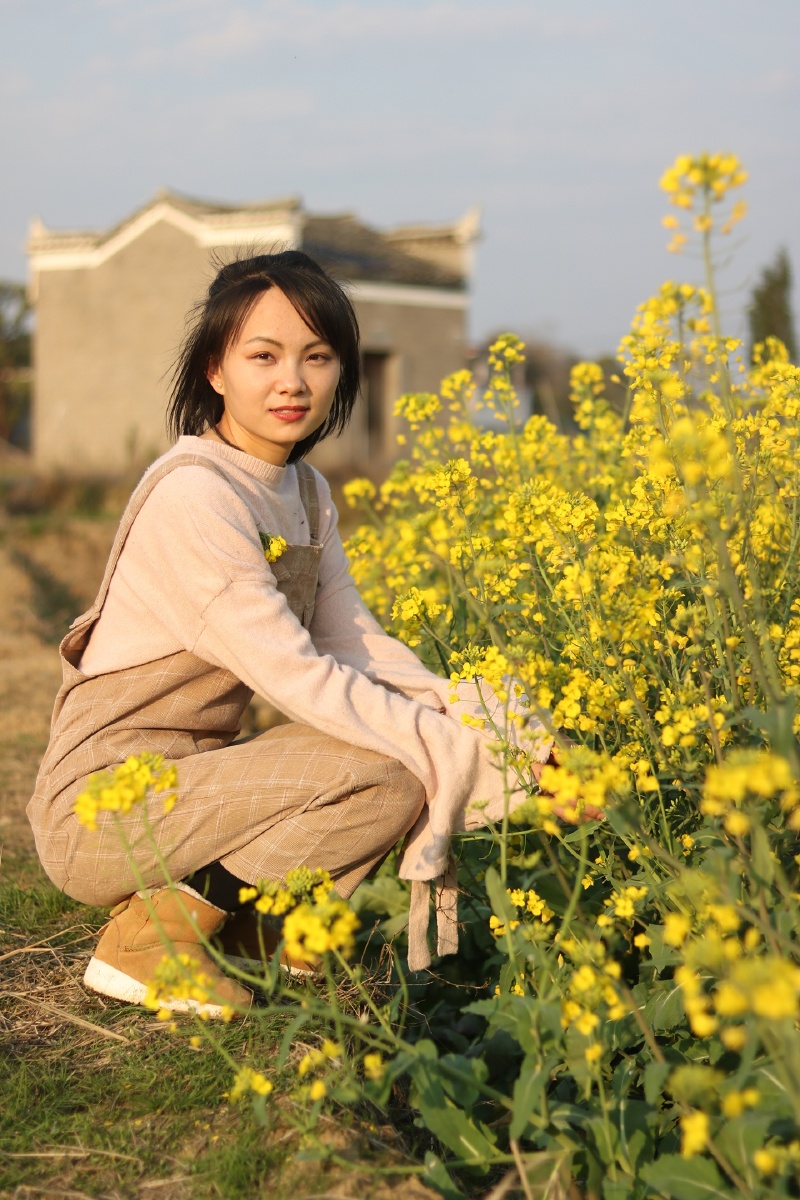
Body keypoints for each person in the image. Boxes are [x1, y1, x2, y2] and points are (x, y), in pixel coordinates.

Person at [27, 251, 569, 1017]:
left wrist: (512, 737)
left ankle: (251, 932)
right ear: (216, 370)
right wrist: (452, 743)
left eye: (318, 357)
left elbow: (358, 648)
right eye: (264, 356)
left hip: (191, 791)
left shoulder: (306, 495)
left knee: (397, 757)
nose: (294, 381)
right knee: (386, 767)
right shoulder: (196, 498)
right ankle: (153, 937)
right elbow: (297, 677)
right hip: (105, 811)